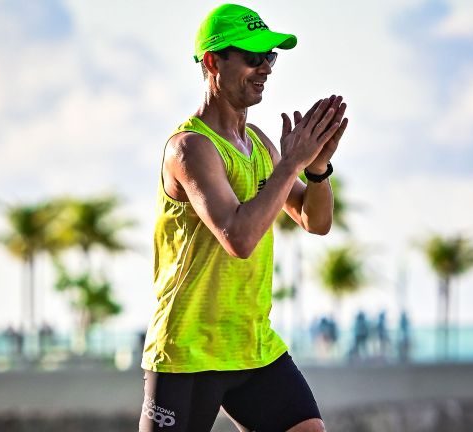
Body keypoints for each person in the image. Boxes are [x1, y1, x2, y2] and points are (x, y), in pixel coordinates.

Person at [139, 4, 348, 432]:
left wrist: (316, 170)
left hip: (252, 344)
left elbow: (316, 221)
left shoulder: (260, 145)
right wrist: (291, 164)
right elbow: (238, 238)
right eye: (253, 57)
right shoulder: (191, 149)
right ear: (213, 62)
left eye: (270, 57)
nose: (265, 68)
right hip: (189, 348)